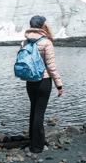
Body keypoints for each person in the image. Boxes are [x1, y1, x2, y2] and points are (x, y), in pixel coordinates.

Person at [21, 15, 63, 153]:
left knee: (33, 110)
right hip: (43, 81)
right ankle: (37, 146)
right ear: (42, 26)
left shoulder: (25, 42)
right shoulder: (46, 42)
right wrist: (59, 85)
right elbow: (51, 66)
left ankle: (32, 141)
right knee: (40, 113)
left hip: (30, 81)